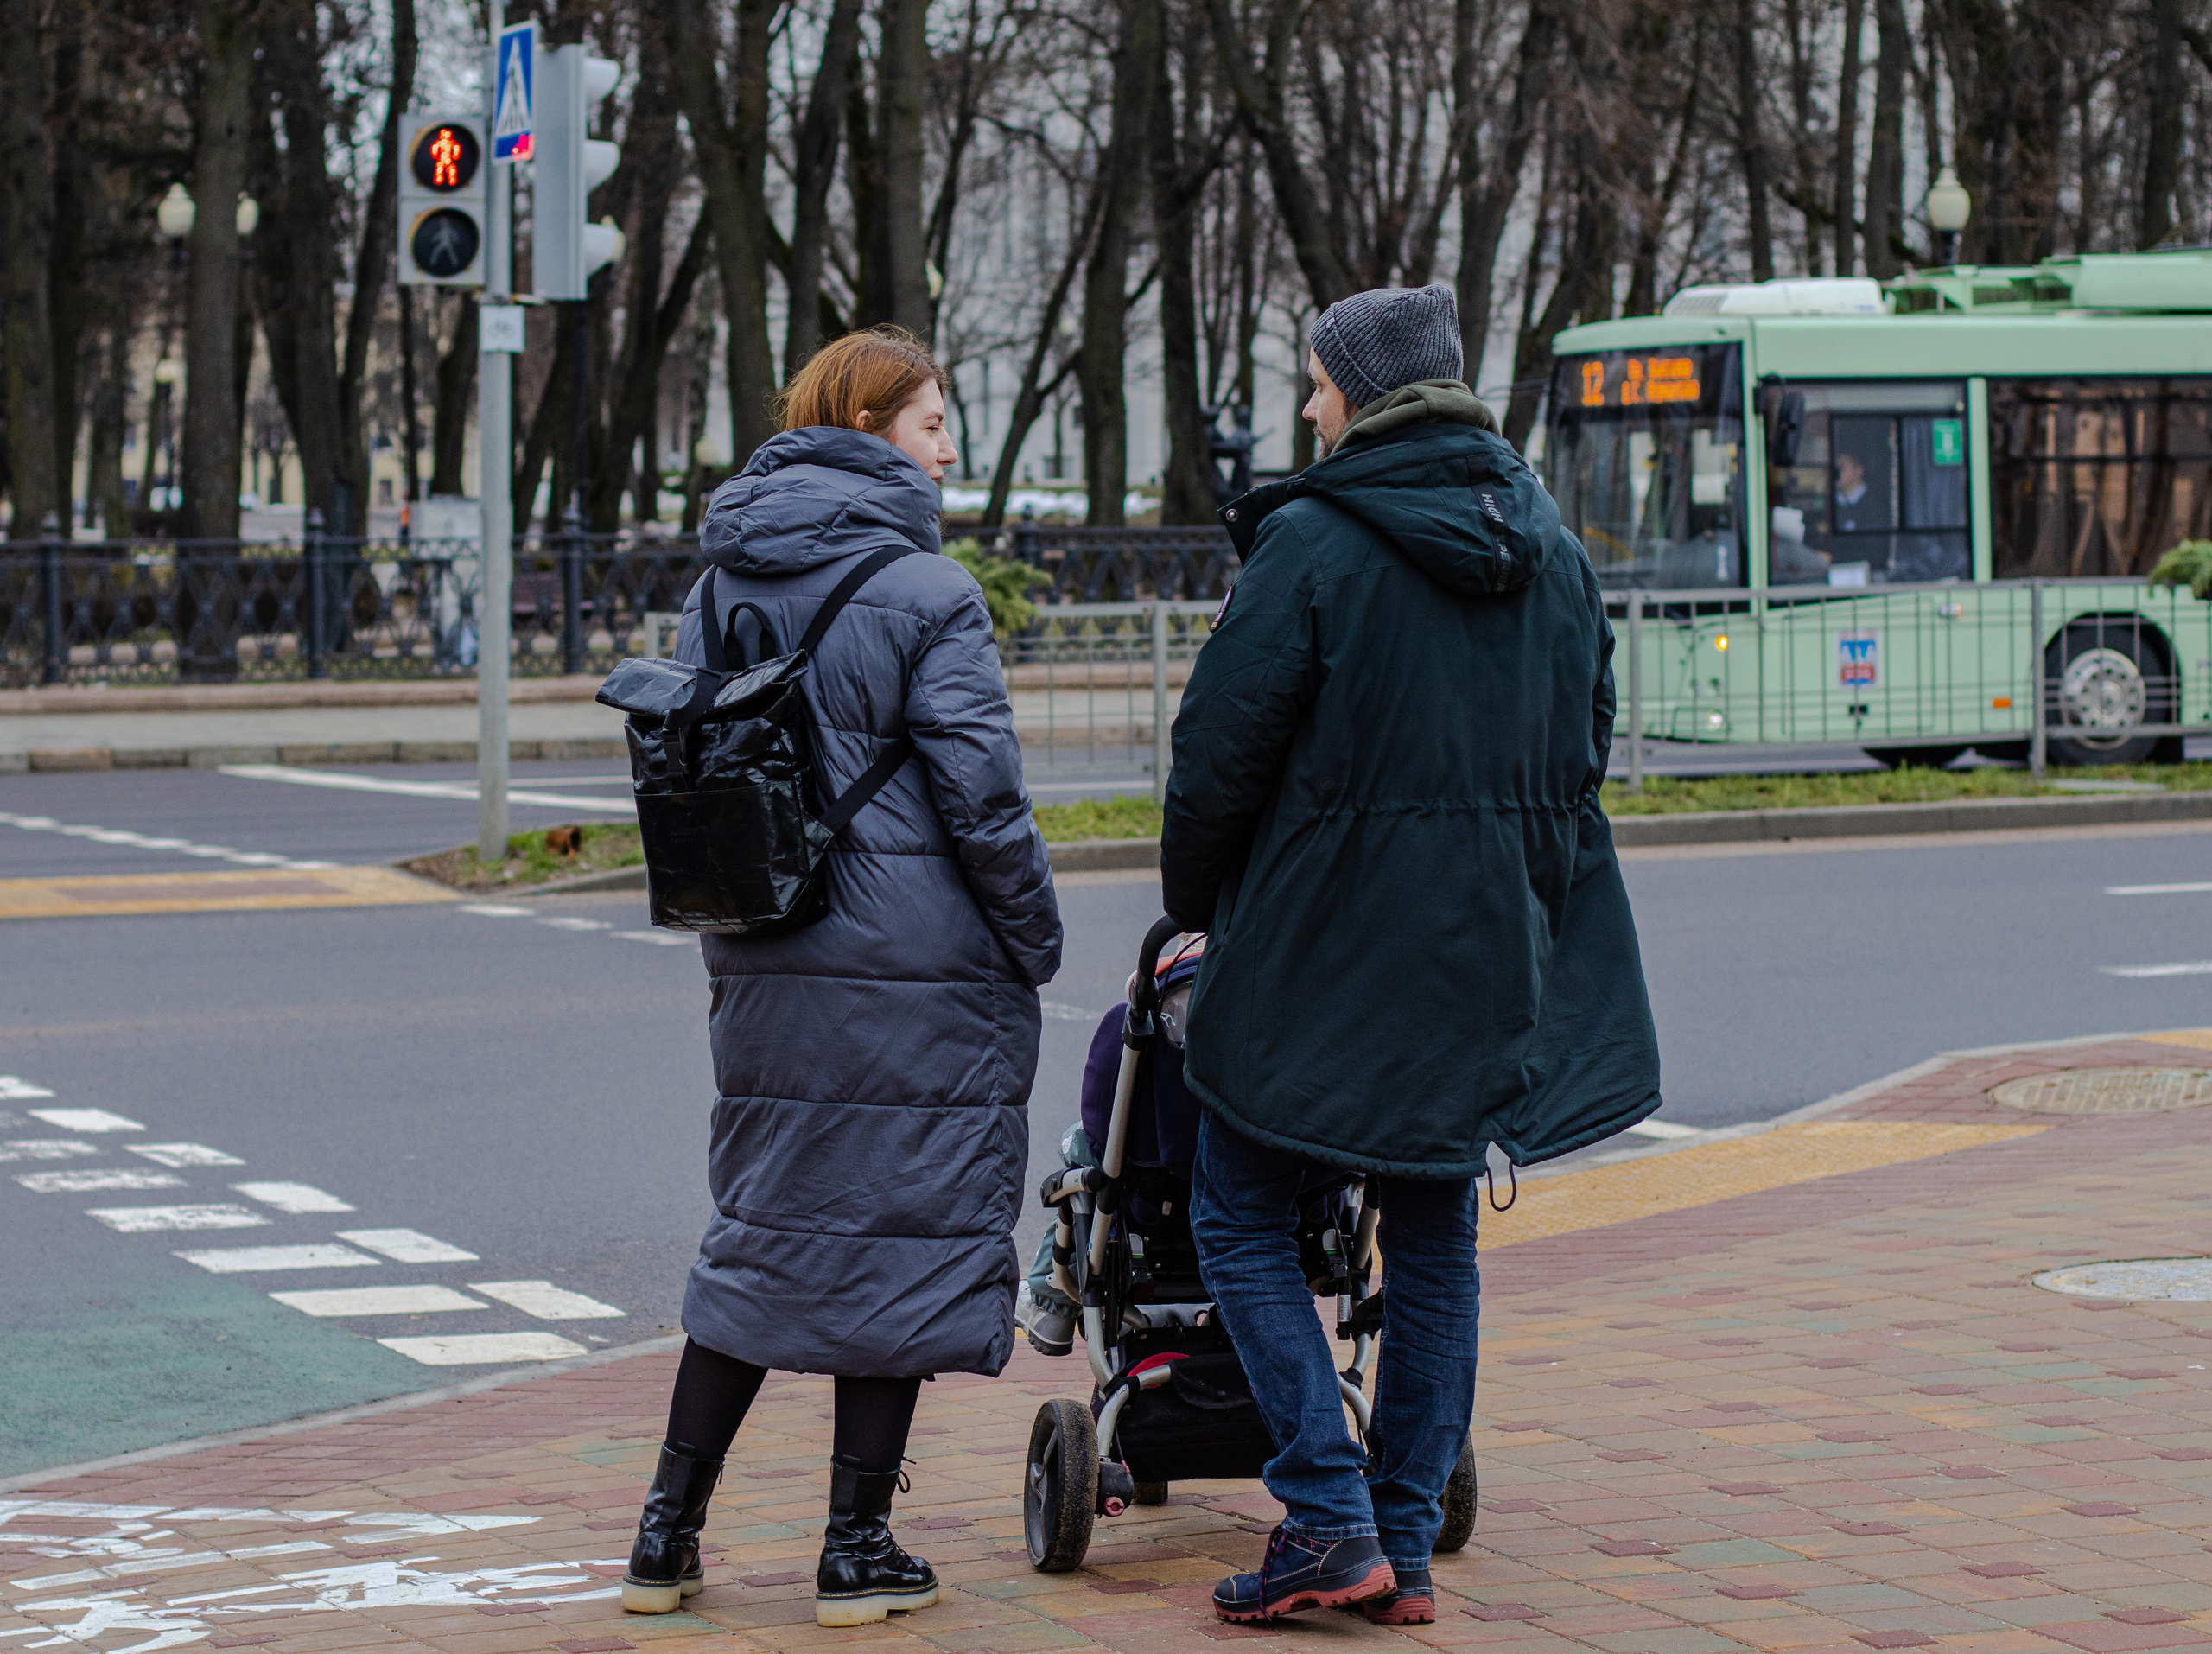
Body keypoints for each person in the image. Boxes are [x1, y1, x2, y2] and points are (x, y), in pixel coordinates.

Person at [1160, 284, 1662, 1625]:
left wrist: (1192, 899)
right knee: (1432, 1233)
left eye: (1319, 385)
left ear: (1363, 392)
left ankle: (1325, 1517)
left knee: (1238, 1204)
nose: (1310, 407)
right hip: (1486, 945)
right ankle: (1404, 1540)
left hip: (1319, 944)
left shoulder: (1316, 544)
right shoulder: (1550, 545)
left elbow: (1217, 752)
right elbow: (1584, 744)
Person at [620, 326, 1064, 1631]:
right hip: (909, 959)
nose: (950, 449)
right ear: (872, 428)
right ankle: (856, 1547)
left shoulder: (723, 579)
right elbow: (985, 801)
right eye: (934, 425)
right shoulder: (928, 591)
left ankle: (664, 1534)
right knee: (896, 1231)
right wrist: (1032, 938)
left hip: (761, 944)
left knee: (765, 1230)